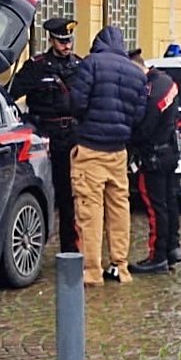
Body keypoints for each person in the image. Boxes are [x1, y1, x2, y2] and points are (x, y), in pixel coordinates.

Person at [67, 26, 148, 285]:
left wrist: (84, 124)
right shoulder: (136, 74)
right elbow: (138, 115)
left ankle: (92, 271)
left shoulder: (91, 64)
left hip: (91, 149)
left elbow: (76, 103)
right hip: (118, 151)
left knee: (90, 210)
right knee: (119, 208)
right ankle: (120, 266)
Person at [9, 17, 82, 251]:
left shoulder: (79, 66)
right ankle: (33, 244)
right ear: (51, 40)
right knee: (40, 192)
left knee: (70, 196)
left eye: (69, 41)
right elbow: (10, 95)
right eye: (61, 42)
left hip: (72, 138)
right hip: (44, 139)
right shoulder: (36, 67)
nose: (66, 46)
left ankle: (69, 249)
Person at [128, 52, 181, 274]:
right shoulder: (166, 82)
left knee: (155, 206)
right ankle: (172, 247)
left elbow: (145, 128)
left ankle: (157, 255)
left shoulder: (152, 89)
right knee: (169, 202)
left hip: (154, 156)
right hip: (169, 152)